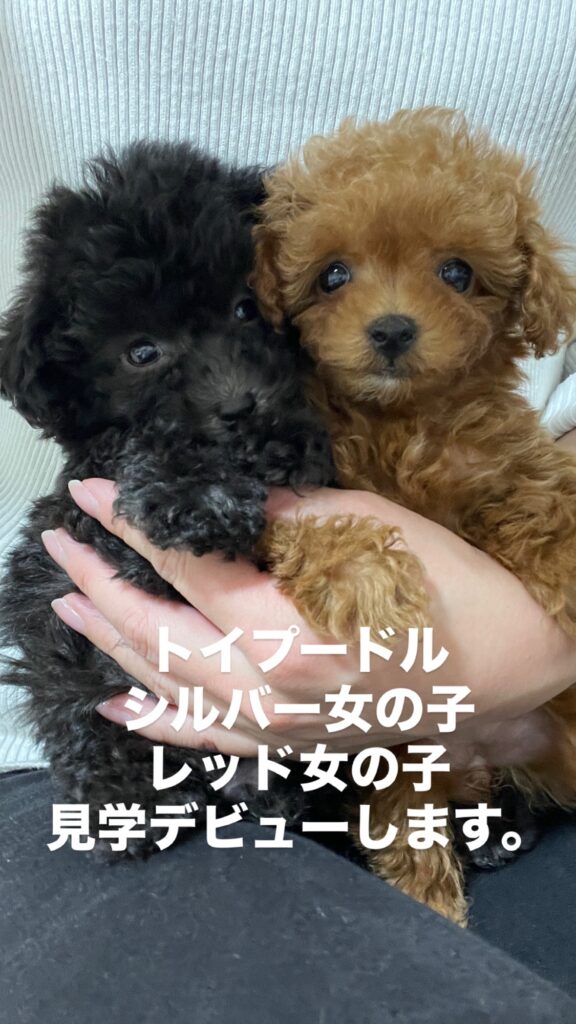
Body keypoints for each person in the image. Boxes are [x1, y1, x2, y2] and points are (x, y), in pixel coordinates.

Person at [2, 1, 576, 1020]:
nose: (391, 313)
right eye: (333, 276)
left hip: (515, 725)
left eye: (455, 273)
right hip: (125, 746)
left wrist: (528, 648)